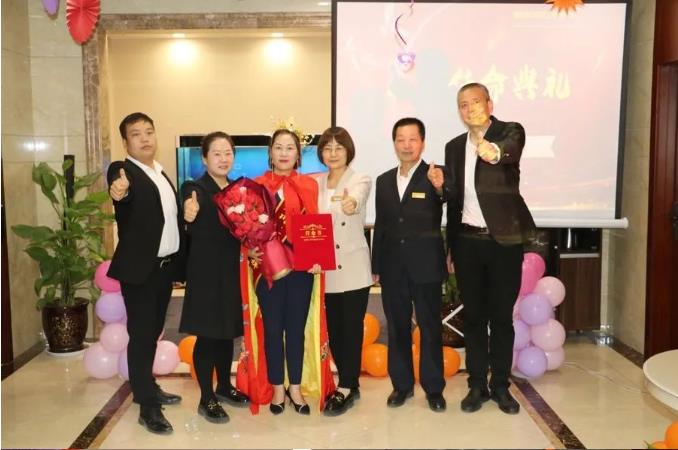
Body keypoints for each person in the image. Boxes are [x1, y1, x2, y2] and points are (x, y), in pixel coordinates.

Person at [444, 82, 536, 415]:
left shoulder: (510, 132)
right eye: (463, 104)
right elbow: (454, 199)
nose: (469, 108)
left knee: (500, 318)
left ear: (490, 104)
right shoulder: (454, 146)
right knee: (473, 317)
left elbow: (506, 152)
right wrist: (441, 189)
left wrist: (490, 148)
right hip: (467, 242)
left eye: (475, 102)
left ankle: (500, 386)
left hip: (503, 242)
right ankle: (476, 386)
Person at [245, 128, 334, 415]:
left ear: (298, 155)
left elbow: (316, 226)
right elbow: (246, 228)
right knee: (272, 330)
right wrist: (248, 249)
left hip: (301, 268)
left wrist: (318, 257)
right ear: (270, 153)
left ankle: (295, 387)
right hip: (268, 269)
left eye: (290, 148)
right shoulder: (255, 186)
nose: (284, 153)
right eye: (278, 147)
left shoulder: (309, 185)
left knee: (295, 329)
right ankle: (277, 388)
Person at [107, 112, 185, 434]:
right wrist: (120, 190)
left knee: (151, 332)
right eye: (136, 134)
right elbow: (119, 191)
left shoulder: (160, 173)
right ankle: (147, 407)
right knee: (141, 336)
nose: (144, 138)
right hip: (141, 271)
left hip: (163, 270)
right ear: (125, 142)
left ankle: (147, 386)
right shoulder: (123, 171)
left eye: (149, 132)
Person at [371, 117, 450, 412]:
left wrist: (441, 188)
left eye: (412, 139)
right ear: (394, 143)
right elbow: (381, 225)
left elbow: (448, 197)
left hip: (426, 265)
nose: (406, 145)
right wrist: (376, 264)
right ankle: (401, 386)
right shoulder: (383, 180)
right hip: (393, 267)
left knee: (430, 327)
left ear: (422, 143)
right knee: (397, 327)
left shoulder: (435, 174)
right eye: (400, 139)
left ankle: (434, 388)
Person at [179, 131, 249, 424]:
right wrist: (189, 211)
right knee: (208, 336)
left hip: (232, 272)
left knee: (226, 332)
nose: (223, 159)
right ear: (205, 158)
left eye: (228, 153)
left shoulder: (239, 190)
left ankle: (224, 386)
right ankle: (206, 397)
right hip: (206, 273)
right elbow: (188, 209)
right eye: (216, 154)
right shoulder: (194, 188)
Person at [314, 127, 373, 417]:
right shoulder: (315, 183)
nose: (333, 153)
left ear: (348, 150)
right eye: (327, 148)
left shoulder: (360, 179)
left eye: (339, 148)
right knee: (335, 330)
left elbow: (357, 199)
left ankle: (347, 386)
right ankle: (349, 382)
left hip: (352, 268)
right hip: (323, 269)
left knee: (351, 328)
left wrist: (352, 203)